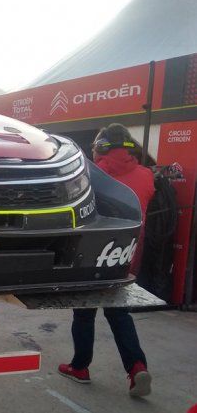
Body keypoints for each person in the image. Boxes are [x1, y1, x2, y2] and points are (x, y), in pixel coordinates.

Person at [58, 123, 155, 397]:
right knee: (118, 312)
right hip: (124, 258)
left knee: (84, 313)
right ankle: (136, 367)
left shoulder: (90, 174)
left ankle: (80, 367)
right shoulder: (147, 176)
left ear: (101, 148)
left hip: (91, 258)